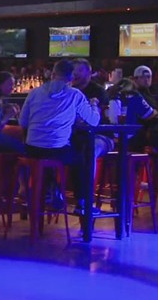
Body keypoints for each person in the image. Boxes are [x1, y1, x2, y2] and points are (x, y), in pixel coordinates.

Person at [18, 60, 101, 213]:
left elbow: (22, 122)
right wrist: (94, 105)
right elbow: (94, 121)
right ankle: (82, 202)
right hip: (57, 151)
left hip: (31, 151)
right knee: (80, 158)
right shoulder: (75, 95)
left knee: (50, 152)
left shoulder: (34, 93)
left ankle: (51, 189)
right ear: (71, 78)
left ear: (52, 74)